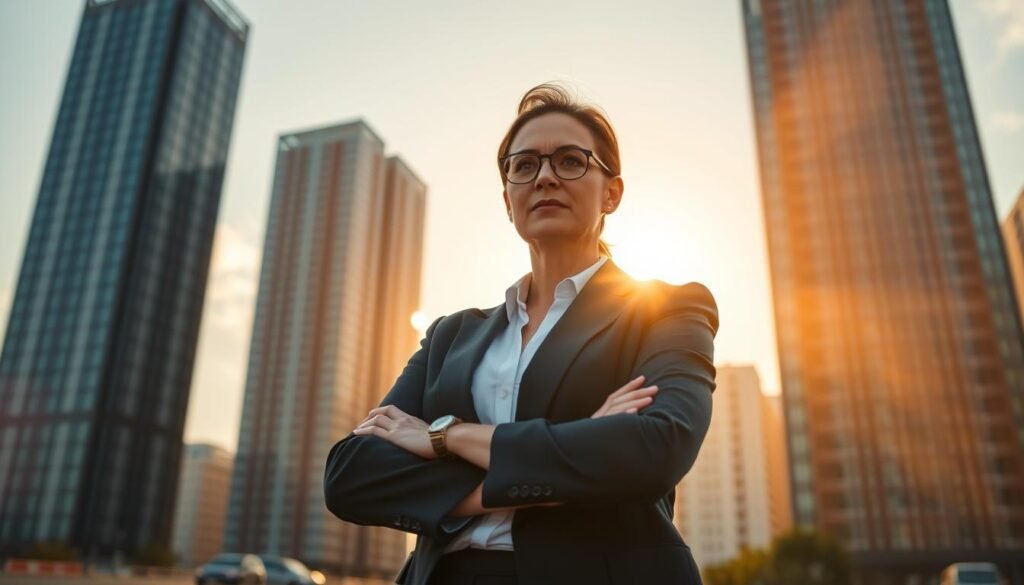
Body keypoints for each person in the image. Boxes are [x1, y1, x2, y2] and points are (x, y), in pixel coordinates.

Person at [324, 82, 718, 585]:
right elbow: (352, 475)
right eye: (524, 165)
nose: (545, 177)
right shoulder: (450, 336)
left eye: (571, 161)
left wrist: (445, 436)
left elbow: (654, 448)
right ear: (508, 200)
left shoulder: (666, 308)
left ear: (612, 193)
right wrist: (577, 453)